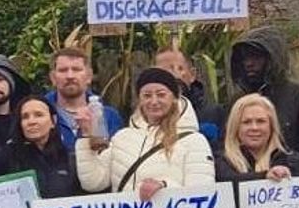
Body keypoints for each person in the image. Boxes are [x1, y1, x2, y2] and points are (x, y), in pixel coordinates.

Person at [76, 68, 214, 199]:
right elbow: (93, 183)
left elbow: (202, 194)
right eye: (147, 95)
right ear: (139, 99)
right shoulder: (122, 138)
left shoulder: (194, 141)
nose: (154, 101)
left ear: (174, 98)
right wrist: (86, 136)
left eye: (161, 94)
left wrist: (165, 187)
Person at [226, 27, 299, 158]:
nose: (249, 63)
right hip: (249, 176)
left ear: (273, 59)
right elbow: (229, 146)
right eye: (244, 58)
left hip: (296, 176)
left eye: (256, 57)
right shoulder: (238, 101)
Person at [44, 49, 124, 152]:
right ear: (53, 78)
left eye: (76, 69)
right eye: (63, 70)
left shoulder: (109, 117)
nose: (70, 76)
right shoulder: (40, 115)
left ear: (89, 76)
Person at [155, 48, 223, 145]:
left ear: (192, 74)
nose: (173, 75)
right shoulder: (143, 117)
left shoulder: (213, 114)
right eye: (163, 72)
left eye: (180, 68)